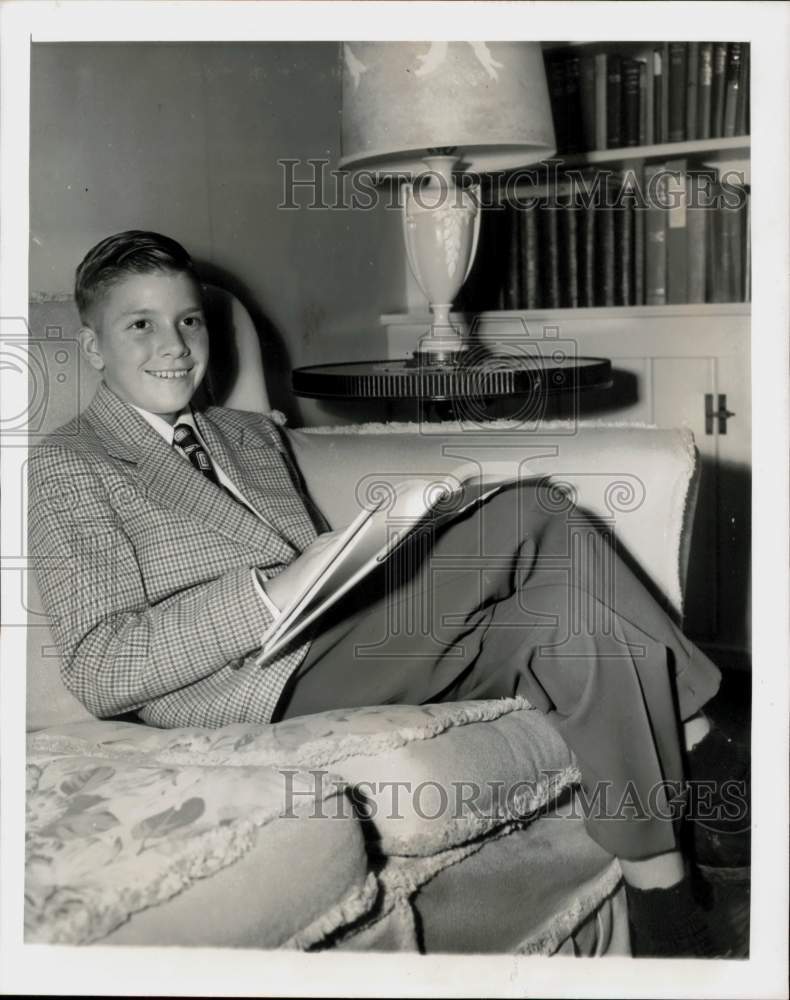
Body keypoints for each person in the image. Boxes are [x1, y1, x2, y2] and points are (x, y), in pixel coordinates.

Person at [28, 231, 749, 958]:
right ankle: (699, 737)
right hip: (245, 684)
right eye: (140, 325)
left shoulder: (247, 435)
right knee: (537, 511)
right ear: (94, 348)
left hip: (339, 635)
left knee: (566, 620)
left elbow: (323, 567)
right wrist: (270, 593)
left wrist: (394, 539)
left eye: (188, 319)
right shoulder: (68, 463)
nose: (175, 345)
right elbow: (99, 666)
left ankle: (657, 888)